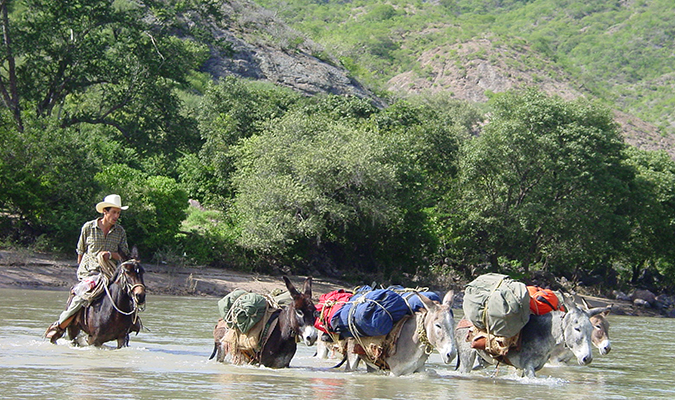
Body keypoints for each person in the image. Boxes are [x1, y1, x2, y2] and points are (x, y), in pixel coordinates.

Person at [44, 194, 130, 343]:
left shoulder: (120, 232)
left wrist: (109, 255)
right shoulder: (88, 227)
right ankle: (59, 326)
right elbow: (80, 251)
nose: (116, 216)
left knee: (129, 293)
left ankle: (131, 324)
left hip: (110, 273)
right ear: (105, 212)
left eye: (118, 213)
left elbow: (124, 255)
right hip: (90, 272)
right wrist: (84, 271)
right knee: (80, 297)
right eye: (114, 212)